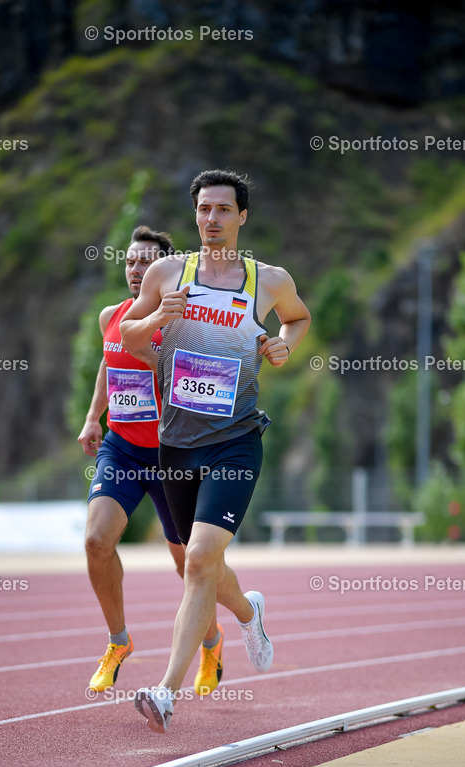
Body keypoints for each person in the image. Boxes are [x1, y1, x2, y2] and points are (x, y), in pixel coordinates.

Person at [120, 170, 311, 732]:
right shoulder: (166, 273)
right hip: (175, 443)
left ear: (242, 217)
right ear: (195, 214)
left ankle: (164, 691)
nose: (212, 219)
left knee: (199, 560)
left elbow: (298, 318)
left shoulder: (267, 280)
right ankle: (249, 613)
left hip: (236, 439)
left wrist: (284, 345)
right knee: (201, 564)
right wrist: (159, 316)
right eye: (203, 209)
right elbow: (128, 338)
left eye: (223, 209)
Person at [79, 226, 223, 695]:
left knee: (189, 565)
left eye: (146, 263)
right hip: (121, 448)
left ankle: (212, 642)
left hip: (171, 453)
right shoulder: (112, 316)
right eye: (130, 262)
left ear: (165, 269)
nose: (137, 270)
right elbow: (107, 361)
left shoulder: (183, 324)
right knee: (97, 541)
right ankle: (118, 643)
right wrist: (93, 417)